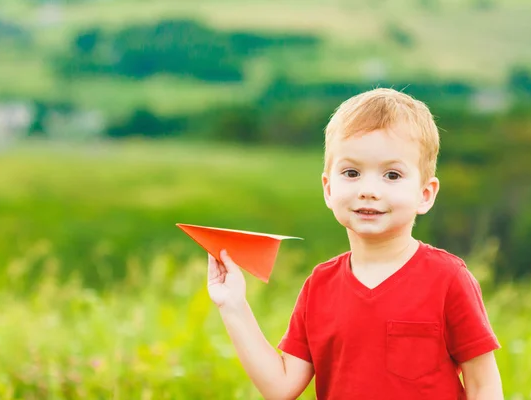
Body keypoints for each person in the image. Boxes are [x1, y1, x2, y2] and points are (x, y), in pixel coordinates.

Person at [207, 88, 503, 399]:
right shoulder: (319, 286)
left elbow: (483, 386)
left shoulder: (448, 279)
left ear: (425, 194)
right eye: (352, 172)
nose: (368, 189)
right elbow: (281, 387)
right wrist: (233, 305)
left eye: (391, 175)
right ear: (328, 189)